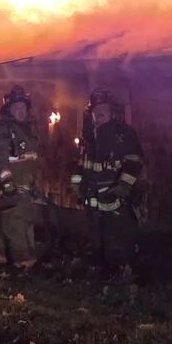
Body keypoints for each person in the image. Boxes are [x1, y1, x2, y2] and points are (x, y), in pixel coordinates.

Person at [71, 88, 145, 276]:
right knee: (96, 238)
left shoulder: (124, 134)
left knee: (118, 238)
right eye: (96, 110)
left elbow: (134, 162)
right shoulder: (89, 137)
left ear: (112, 111)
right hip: (94, 199)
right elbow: (80, 164)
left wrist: (123, 187)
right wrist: (76, 184)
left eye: (103, 108)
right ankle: (100, 271)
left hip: (116, 200)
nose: (100, 113)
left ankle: (122, 273)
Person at [0, 84, 42, 272]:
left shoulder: (28, 129)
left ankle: (2, 255)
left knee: (23, 220)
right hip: (11, 186)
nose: (20, 110)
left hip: (26, 186)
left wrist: (34, 183)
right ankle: (22, 262)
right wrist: (7, 182)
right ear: (9, 110)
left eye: (23, 107)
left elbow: (32, 160)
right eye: (16, 107)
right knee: (15, 222)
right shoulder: (2, 129)